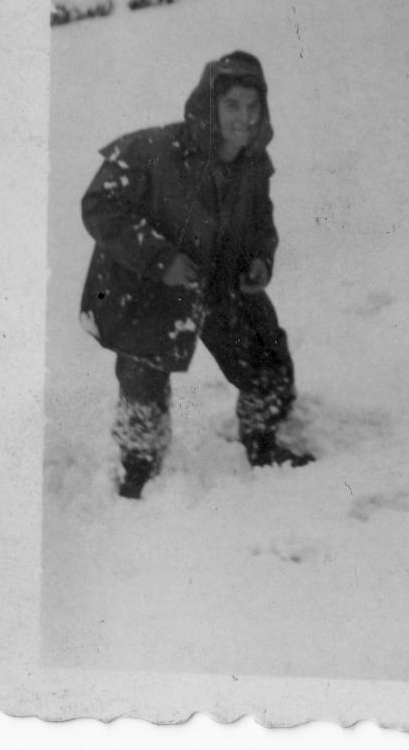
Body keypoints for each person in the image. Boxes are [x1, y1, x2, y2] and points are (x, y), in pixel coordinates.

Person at [79, 50, 313, 498]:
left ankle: (263, 442)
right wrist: (160, 260)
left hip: (217, 279)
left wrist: (261, 259)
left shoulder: (253, 163)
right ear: (208, 105)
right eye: (231, 105)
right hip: (145, 285)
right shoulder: (150, 151)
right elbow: (98, 205)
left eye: (252, 106)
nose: (244, 118)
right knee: (142, 378)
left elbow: (260, 221)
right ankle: (138, 467)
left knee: (265, 352)